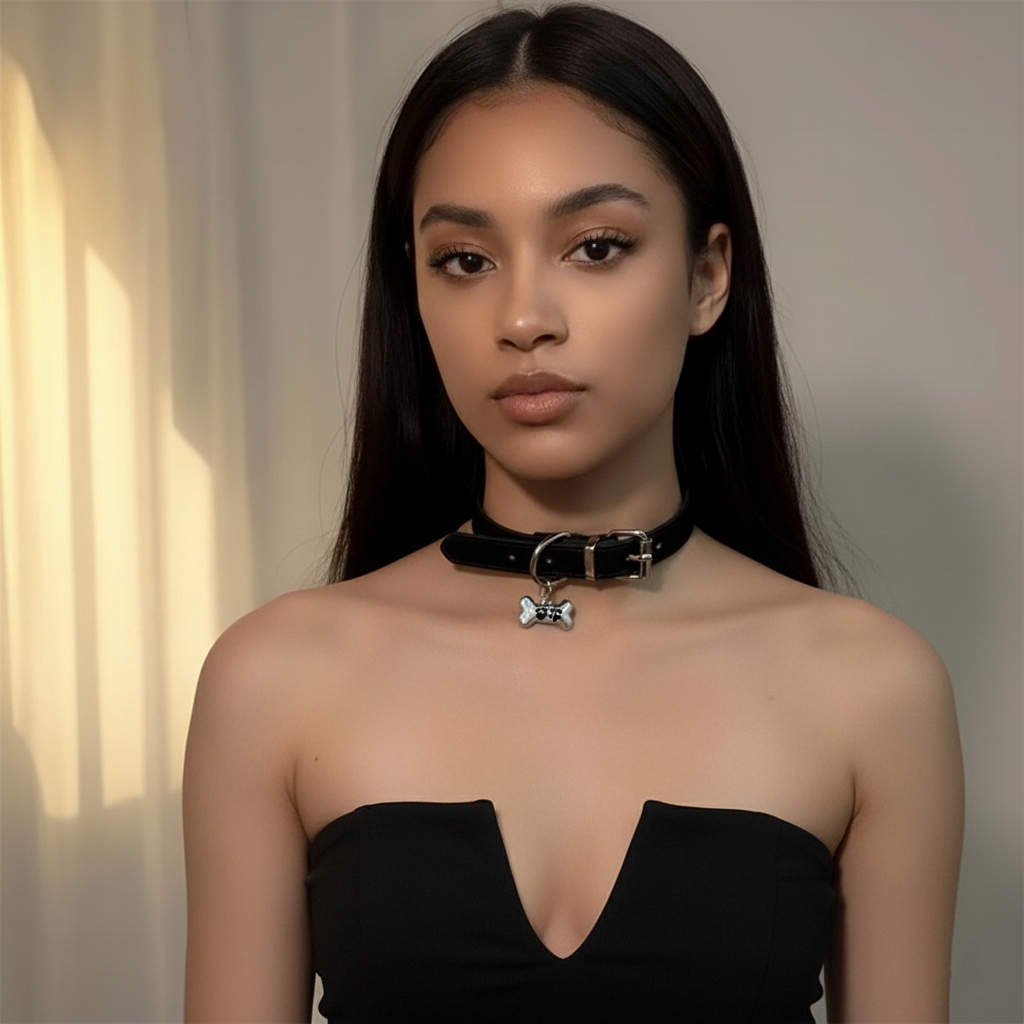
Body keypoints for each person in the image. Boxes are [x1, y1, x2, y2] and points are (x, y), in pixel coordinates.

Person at [182, 4, 964, 1021]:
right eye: (464, 259)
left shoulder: (872, 689)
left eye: (595, 246)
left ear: (707, 276)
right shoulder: (271, 680)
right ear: (411, 291)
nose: (521, 319)